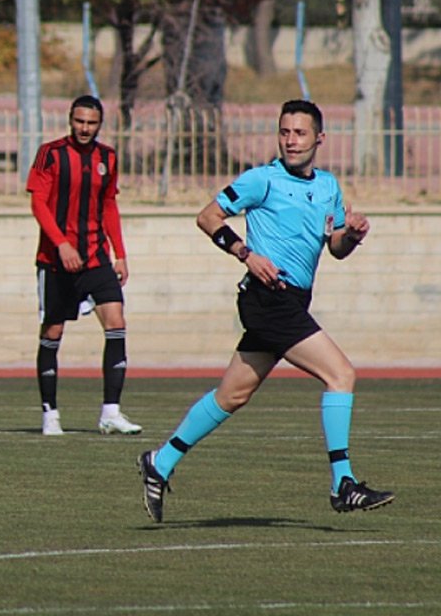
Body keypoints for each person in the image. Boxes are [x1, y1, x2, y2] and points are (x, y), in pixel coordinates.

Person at [137, 99, 395, 523]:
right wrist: (245, 253)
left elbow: (335, 249)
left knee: (232, 395)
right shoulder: (262, 180)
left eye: (300, 133)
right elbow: (208, 217)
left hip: (290, 301)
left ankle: (159, 463)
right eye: (285, 132)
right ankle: (342, 483)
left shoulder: (329, 186)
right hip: (266, 297)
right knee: (341, 374)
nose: (291, 140)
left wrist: (352, 233)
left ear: (320, 139)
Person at [26, 95, 141, 436]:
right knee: (53, 332)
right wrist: (60, 244)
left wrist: (119, 252)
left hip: (95, 258)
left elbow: (108, 205)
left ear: (100, 124)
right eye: (79, 121)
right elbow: (38, 203)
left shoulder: (108, 157)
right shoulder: (51, 154)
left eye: (91, 123)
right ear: (70, 120)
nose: (85, 128)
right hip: (56, 260)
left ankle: (110, 412)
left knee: (117, 322)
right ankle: (50, 414)